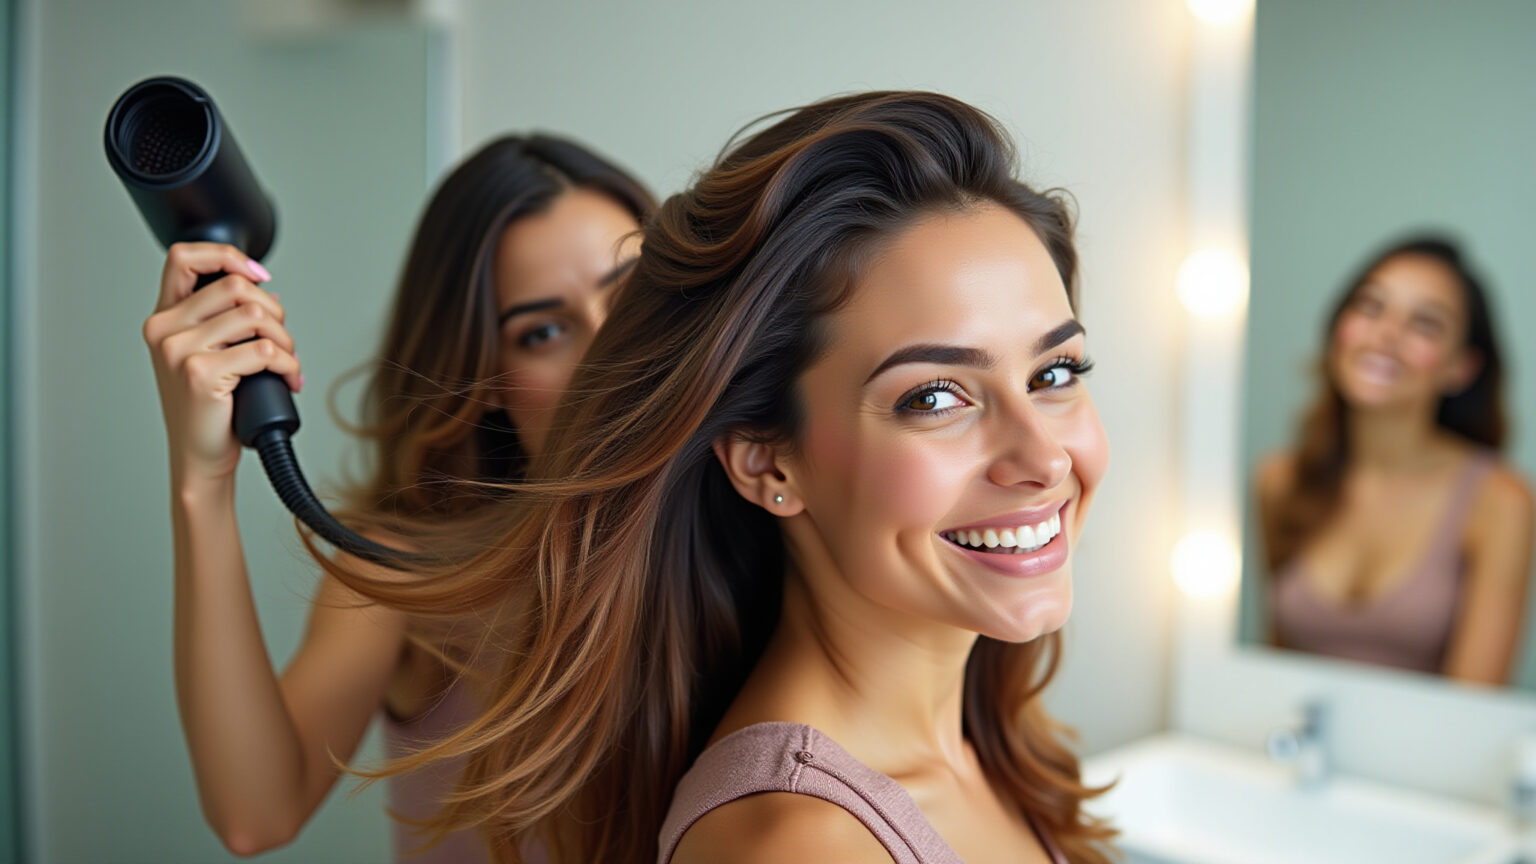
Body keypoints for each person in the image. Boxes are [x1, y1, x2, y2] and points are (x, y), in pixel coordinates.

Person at [328, 91, 1116, 864]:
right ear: (767, 460)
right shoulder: (796, 843)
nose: (1044, 458)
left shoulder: (998, 753)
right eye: (935, 397)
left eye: (1055, 373)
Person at [139, 134, 654, 860]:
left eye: (632, 295)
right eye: (542, 331)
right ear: (485, 377)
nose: (609, 354)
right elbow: (256, 814)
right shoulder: (407, 575)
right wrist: (202, 480)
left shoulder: (752, 516)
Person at [1257, 236, 1534, 685]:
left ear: (1460, 366)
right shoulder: (1280, 482)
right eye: (1370, 306)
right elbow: (1273, 667)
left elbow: (1473, 710)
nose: (1386, 333)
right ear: (1337, 327)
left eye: (1425, 324)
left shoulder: (1499, 503)